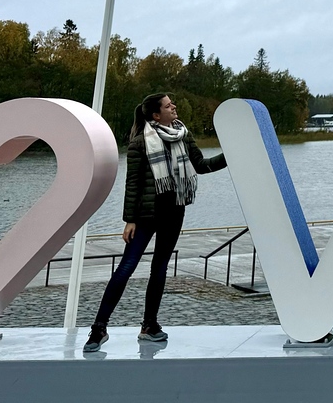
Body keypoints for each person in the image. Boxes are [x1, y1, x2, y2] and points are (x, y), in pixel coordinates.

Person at [83, 93, 226, 351]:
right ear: (155, 115)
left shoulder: (183, 135)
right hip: (146, 215)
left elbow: (201, 166)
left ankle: (149, 326)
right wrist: (130, 220)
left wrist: (231, 156)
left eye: (172, 104)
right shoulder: (140, 143)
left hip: (175, 211)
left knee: (159, 269)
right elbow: (133, 184)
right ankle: (99, 328)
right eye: (168, 105)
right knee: (126, 267)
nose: (174, 106)